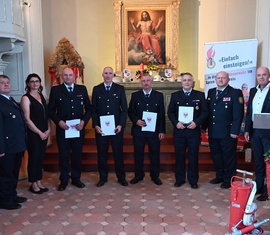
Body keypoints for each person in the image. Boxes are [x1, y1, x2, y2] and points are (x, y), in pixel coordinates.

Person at [48, 67, 91, 191]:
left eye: (70, 75)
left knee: (77, 154)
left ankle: (76, 178)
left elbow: (89, 108)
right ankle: (64, 180)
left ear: (75, 76)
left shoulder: (81, 89)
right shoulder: (56, 90)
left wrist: (83, 122)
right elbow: (50, 110)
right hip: (63, 129)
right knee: (64, 155)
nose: (68, 77)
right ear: (62, 76)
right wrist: (59, 122)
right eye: (65, 75)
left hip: (78, 129)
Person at [168, 73, 208, 189]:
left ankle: (193, 180)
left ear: (192, 82)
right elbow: (170, 112)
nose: (186, 82)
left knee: (193, 156)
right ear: (181, 82)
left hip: (193, 132)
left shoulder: (200, 95)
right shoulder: (175, 95)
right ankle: (179, 179)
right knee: (179, 156)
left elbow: (205, 112)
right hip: (179, 132)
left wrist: (196, 122)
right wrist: (176, 123)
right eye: (184, 80)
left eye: (189, 80)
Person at [204, 71, 244, 189]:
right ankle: (219, 176)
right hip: (213, 130)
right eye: (218, 78)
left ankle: (228, 178)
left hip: (228, 132)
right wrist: (204, 127)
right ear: (215, 80)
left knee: (228, 156)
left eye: (223, 78)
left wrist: (235, 131)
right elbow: (209, 112)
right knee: (216, 155)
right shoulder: (211, 92)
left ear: (228, 79)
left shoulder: (235, 93)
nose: (220, 80)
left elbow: (238, 114)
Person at [92, 66, 128, 187]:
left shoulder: (120, 89)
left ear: (113, 75)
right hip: (101, 129)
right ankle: (103, 177)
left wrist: (120, 125)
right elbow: (94, 110)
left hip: (116, 128)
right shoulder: (97, 89)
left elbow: (124, 110)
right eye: (106, 73)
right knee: (102, 154)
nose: (107, 75)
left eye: (110, 73)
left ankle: (121, 177)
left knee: (118, 153)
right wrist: (96, 125)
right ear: (102, 74)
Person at [128, 73, 165, 185]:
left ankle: (155, 176)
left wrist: (162, 130)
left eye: (148, 80)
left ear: (151, 81)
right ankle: (138, 175)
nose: (146, 83)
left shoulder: (159, 95)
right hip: (139, 131)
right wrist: (136, 120)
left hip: (154, 131)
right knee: (138, 154)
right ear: (141, 82)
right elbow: (130, 112)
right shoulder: (135, 95)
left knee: (154, 154)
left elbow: (161, 114)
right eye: (143, 81)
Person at [0, 75, 27, 210]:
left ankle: (12, 194)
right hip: (6, 146)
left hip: (17, 145)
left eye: (7, 82)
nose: (6, 85)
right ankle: (5, 200)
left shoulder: (11, 100)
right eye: (2, 83)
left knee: (14, 172)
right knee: (6, 174)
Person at [20, 74, 50, 194]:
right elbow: (27, 119)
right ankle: (33, 183)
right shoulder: (25, 98)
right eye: (32, 81)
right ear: (28, 83)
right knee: (34, 157)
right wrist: (39, 132)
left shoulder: (41, 95)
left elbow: (46, 115)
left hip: (44, 132)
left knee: (40, 157)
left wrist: (48, 129)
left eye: (37, 81)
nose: (35, 83)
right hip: (33, 133)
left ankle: (38, 180)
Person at [244, 66, 270, 201]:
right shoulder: (253, 90)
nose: (261, 77)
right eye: (259, 75)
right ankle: (259, 186)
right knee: (258, 160)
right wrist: (247, 129)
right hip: (255, 130)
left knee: (269, 162)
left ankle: (268, 189)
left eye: (264, 75)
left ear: (268, 75)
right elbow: (249, 112)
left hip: (268, 132)